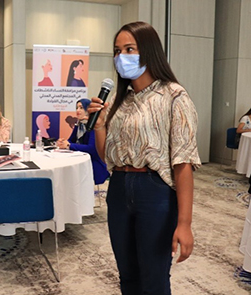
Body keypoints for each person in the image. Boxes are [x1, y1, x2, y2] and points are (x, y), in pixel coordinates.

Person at [88, 22, 201, 294]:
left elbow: (183, 163)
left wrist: (184, 224)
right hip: (118, 188)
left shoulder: (174, 96)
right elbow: (107, 157)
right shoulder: (118, 99)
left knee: (154, 277)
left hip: (155, 191)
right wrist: (100, 124)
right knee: (127, 275)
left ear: (148, 51)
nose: (121, 57)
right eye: (117, 51)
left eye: (129, 49)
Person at [57, 99, 109, 185]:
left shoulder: (93, 125)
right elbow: (71, 140)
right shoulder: (79, 124)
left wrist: (69, 145)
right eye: (77, 108)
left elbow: (92, 148)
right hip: (82, 163)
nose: (78, 110)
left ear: (88, 110)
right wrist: (63, 142)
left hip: (94, 166)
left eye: (81, 108)